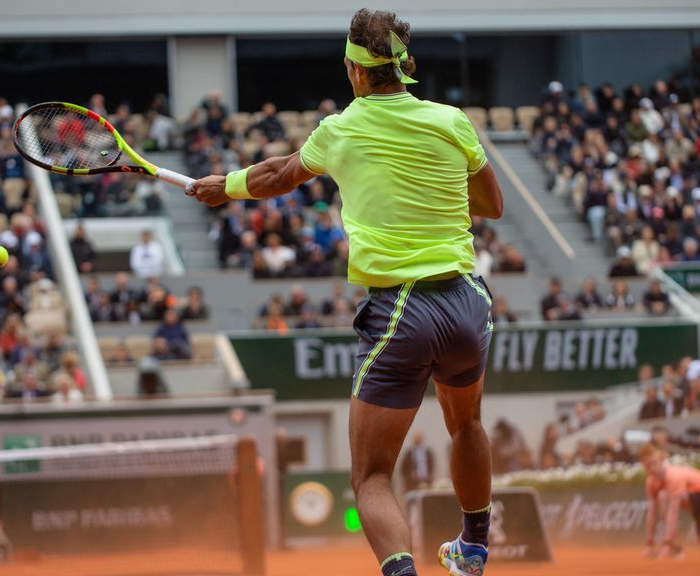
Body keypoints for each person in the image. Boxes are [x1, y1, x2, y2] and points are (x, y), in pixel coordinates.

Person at [188, 10, 503, 576]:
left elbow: (280, 174)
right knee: (467, 425)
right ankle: (474, 548)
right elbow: (491, 205)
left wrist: (223, 187)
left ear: (356, 73)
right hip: (466, 302)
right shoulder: (452, 121)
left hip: (403, 310)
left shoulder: (340, 129)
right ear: (404, 69)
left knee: (373, 476)